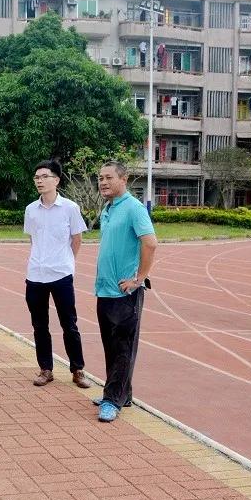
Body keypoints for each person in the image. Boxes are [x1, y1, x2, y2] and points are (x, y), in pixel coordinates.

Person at [93, 161, 158, 422]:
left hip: (124, 294)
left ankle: (112, 400)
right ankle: (122, 393)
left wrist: (138, 278)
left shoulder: (134, 208)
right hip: (105, 291)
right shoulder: (109, 209)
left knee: (123, 348)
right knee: (111, 346)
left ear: (124, 179)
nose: (103, 182)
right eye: (100, 178)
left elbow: (150, 243)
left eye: (109, 177)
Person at [24, 160, 91, 389]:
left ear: (56, 180)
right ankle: (46, 369)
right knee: (39, 325)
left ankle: (78, 369)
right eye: (36, 177)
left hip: (61, 274)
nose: (40, 181)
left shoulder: (70, 208)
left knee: (69, 323)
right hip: (35, 275)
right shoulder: (31, 209)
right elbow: (33, 238)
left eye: (44, 176)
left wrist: (67, 261)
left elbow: (77, 238)